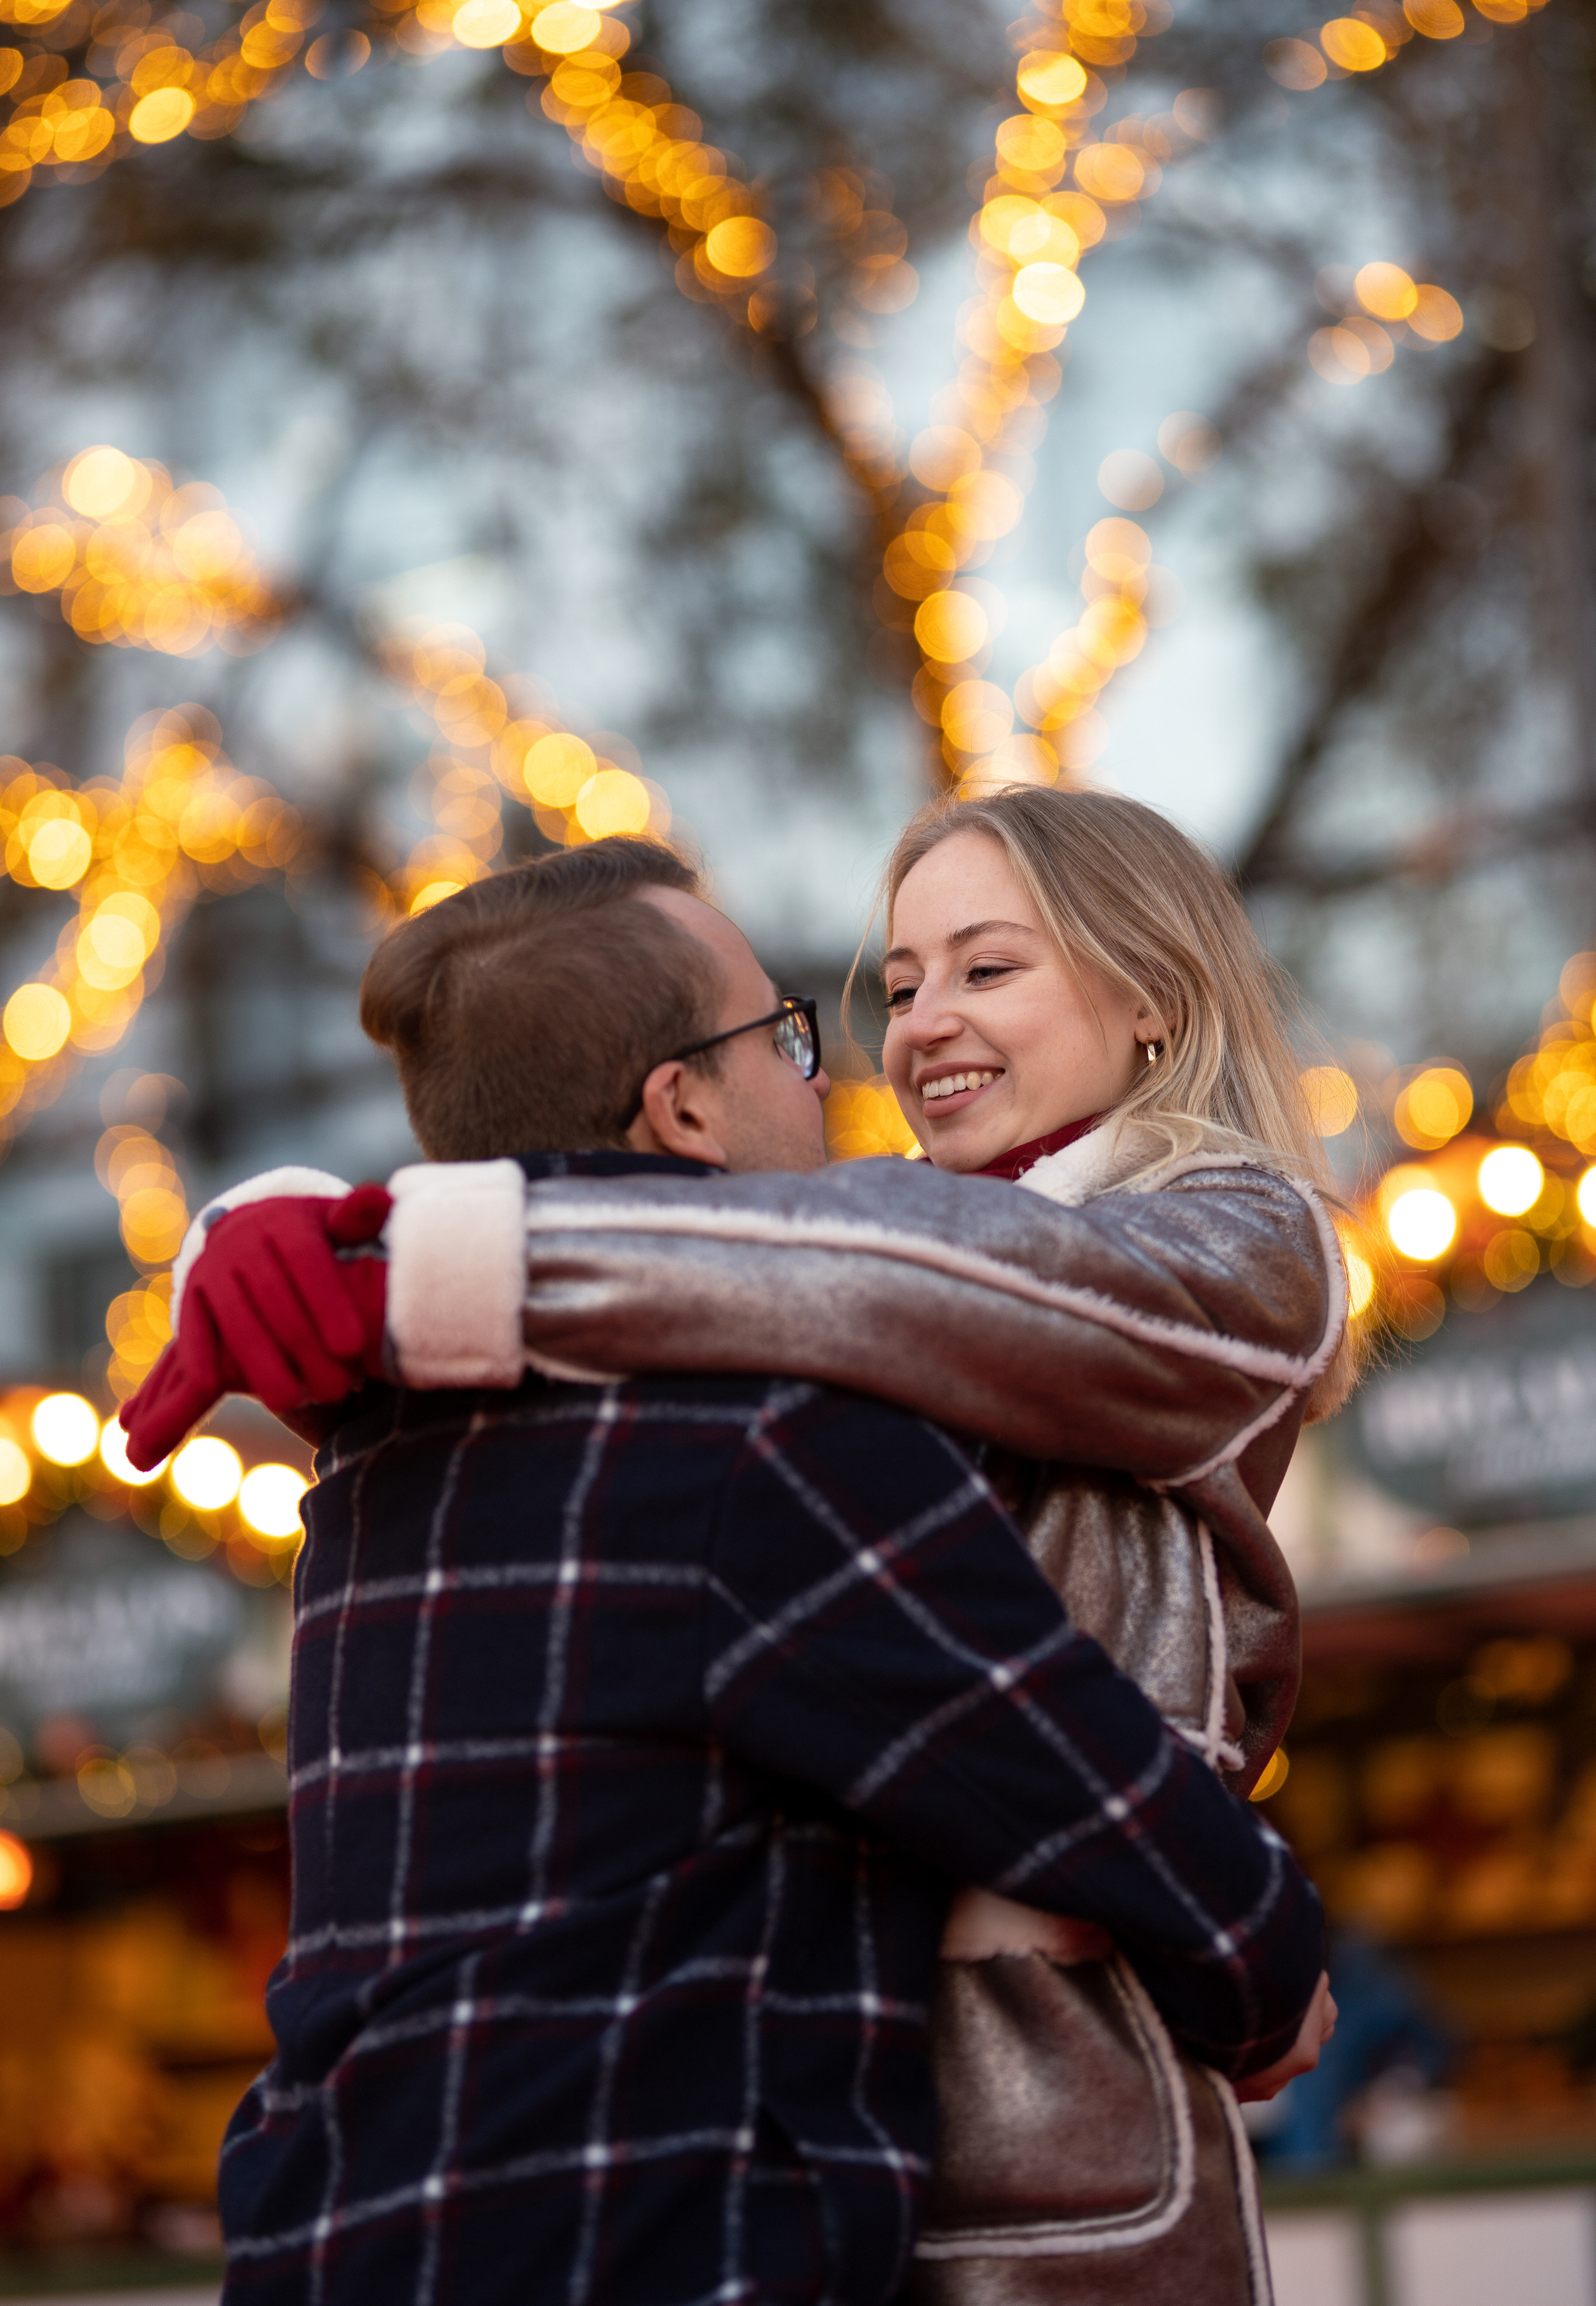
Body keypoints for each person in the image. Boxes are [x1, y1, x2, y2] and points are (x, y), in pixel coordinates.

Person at [129, 812, 1340, 2305]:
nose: (902, 1032)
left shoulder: (1220, 1244)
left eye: (985, 966)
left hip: (990, 2164)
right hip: (708, 2216)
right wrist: (1264, 1950)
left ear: (1152, 991)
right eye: (878, 993)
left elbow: (934, 1278)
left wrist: (391, 1243)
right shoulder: (757, 1426)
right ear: (685, 1112)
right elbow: (1045, 1757)